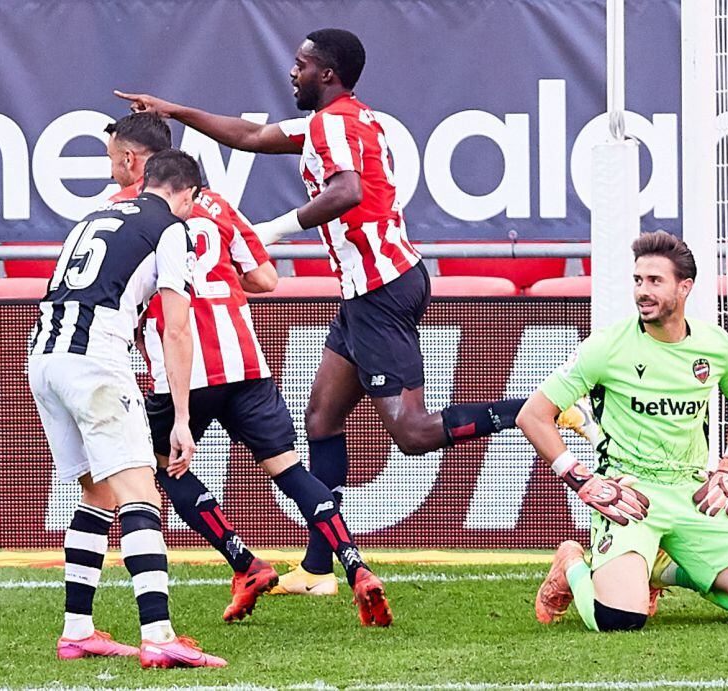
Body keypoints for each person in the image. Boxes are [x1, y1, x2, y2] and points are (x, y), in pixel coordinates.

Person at [115, 28, 591, 595]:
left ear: (328, 74)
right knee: (321, 420)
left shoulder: (332, 124)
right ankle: (319, 568)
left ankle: (535, 410)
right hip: (373, 287)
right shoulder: (342, 120)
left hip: (380, 289)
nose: (291, 73)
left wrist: (271, 230)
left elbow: (346, 191)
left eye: (300, 65)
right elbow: (250, 135)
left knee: (412, 433)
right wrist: (175, 111)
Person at [104, 112, 391, 626]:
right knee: (288, 468)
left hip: (182, 368)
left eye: (112, 162)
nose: (112, 172)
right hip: (246, 359)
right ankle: (356, 566)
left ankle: (243, 561)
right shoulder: (216, 204)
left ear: (131, 161)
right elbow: (265, 278)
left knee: (163, 466)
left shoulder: (123, 210)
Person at [516, 230, 728, 632]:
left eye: (654, 281)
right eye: (637, 281)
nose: (642, 292)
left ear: (685, 288)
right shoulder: (608, 347)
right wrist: (581, 481)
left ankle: (660, 567)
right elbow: (533, 415)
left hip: (691, 494)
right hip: (631, 495)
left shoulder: (716, 348)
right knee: (619, 621)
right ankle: (573, 563)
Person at [29, 148, 226, 667]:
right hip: (95, 362)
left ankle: (76, 632)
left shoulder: (95, 214)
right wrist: (182, 419)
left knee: (97, 491)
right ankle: (159, 637)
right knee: (143, 497)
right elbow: (176, 326)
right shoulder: (174, 228)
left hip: (44, 358)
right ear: (188, 193)